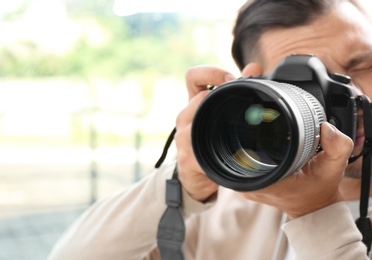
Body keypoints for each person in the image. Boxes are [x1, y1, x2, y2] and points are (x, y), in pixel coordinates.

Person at [48, 0, 372, 259]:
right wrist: (183, 185)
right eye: (305, 84)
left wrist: (314, 212)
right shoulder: (232, 209)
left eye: (365, 65)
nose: (353, 96)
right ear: (262, 90)